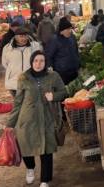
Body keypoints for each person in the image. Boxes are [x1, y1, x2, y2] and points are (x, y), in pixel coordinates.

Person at [6, 51, 67, 187]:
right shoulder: (23, 77)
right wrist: (11, 123)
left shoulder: (53, 76)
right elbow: (18, 101)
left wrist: (54, 96)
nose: (38, 64)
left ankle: (45, 180)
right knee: (26, 146)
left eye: (42, 61)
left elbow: (63, 91)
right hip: (27, 118)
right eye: (36, 61)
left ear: (46, 63)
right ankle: (30, 168)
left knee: (47, 149)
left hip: (47, 117)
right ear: (31, 62)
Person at [1, 27, 42, 96]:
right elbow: (5, 63)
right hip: (14, 82)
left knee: (30, 103)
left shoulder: (35, 47)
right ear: (15, 37)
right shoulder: (7, 48)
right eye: (21, 36)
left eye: (26, 36)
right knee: (17, 103)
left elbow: (40, 61)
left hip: (30, 81)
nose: (24, 38)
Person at [44, 17, 80, 85]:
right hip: (62, 72)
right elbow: (48, 56)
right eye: (67, 29)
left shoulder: (72, 37)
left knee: (74, 90)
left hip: (73, 70)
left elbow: (76, 51)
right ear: (61, 31)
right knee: (64, 91)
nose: (70, 31)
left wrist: (78, 63)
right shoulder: (54, 40)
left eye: (70, 28)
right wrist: (50, 67)